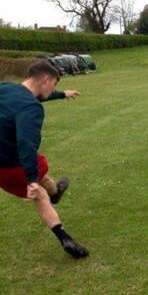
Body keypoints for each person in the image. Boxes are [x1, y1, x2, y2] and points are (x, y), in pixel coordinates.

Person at [0, 59, 89, 259]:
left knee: (44, 173)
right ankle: (64, 237)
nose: (54, 88)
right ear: (46, 79)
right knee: (39, 192)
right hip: (11, 164)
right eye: (55, 85)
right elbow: (26, 144)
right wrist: (31, 180)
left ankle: (56, 193)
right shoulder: (31, 108)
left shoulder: (5, 89)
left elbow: (29, 98)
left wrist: (61, 94)